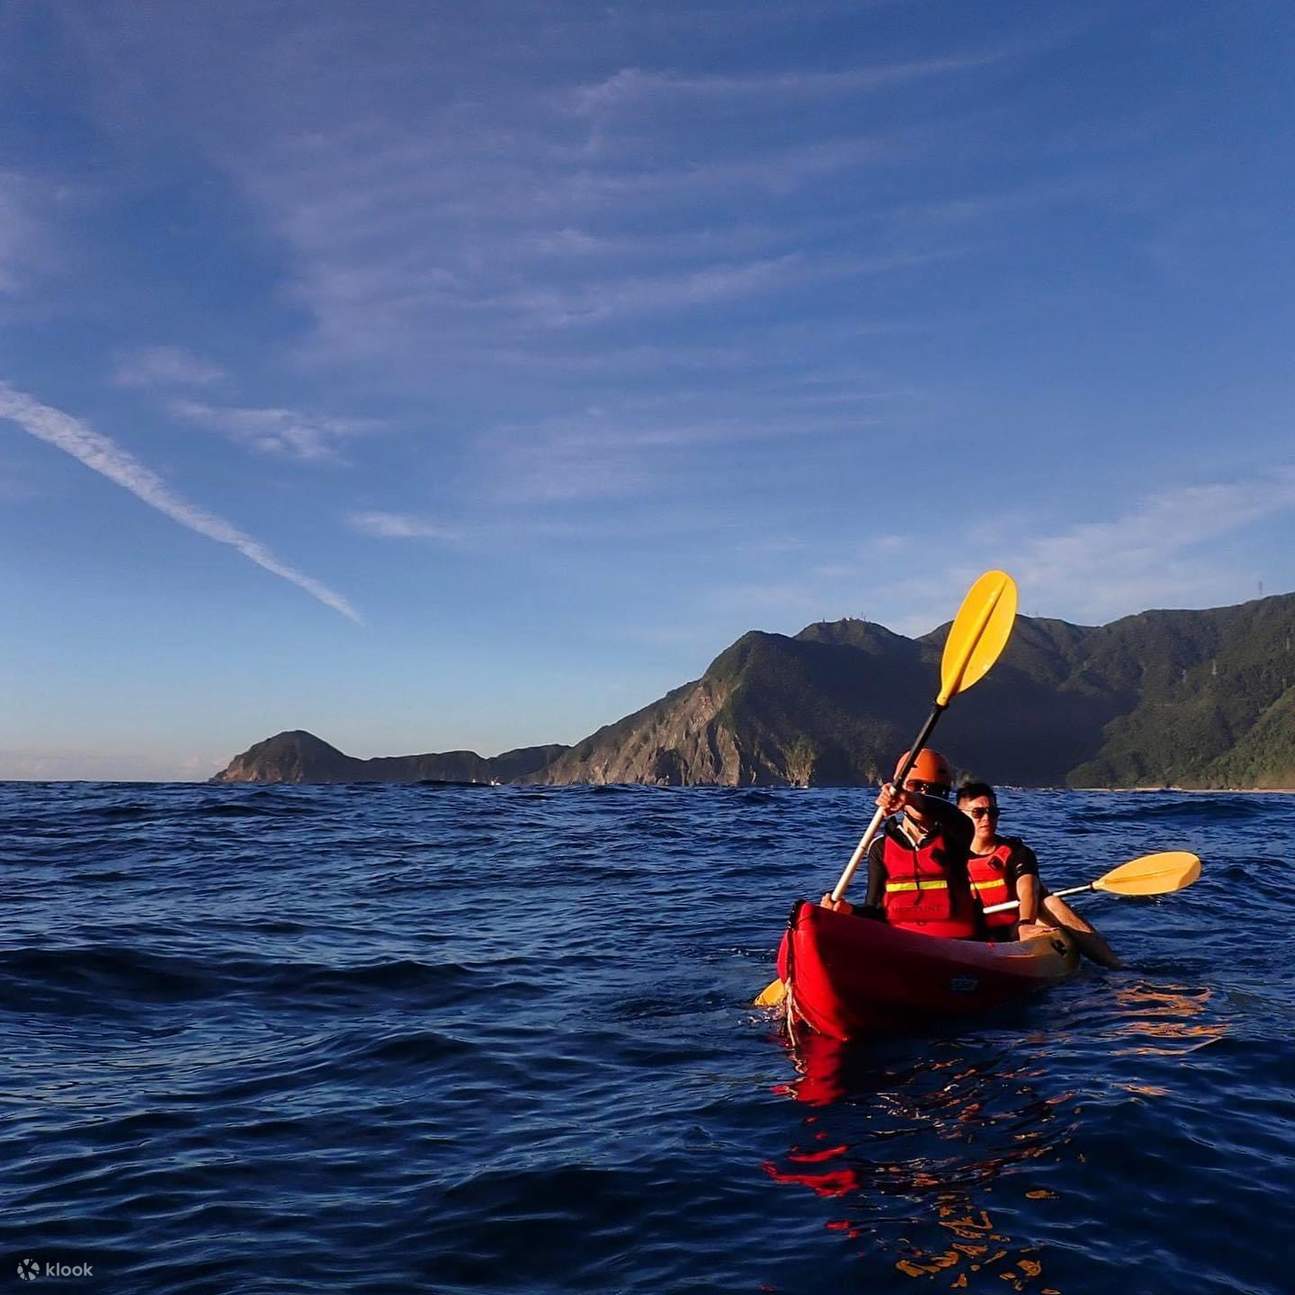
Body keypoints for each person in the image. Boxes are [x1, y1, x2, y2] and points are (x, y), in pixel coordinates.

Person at [956, 781, 1122, 968]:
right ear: (959, 816)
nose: (987, 818)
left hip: (1014, 927)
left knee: (1049, 902)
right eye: (978, 813)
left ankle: (1116, 965)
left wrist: (1024, 923)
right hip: (971, 928)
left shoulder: (1017, 852)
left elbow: (1028, 889)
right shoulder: (947, 854)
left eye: (992, 812)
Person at [820, 749, 983, 939]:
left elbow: (953, 815)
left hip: (956, 943)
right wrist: (849, 911)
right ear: (902, 786)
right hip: (902, 942)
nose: (925, 793)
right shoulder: (880, 848)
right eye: (916, 785)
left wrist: (910, 797)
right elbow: (876, 912)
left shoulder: (957, 834)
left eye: (936, 791)